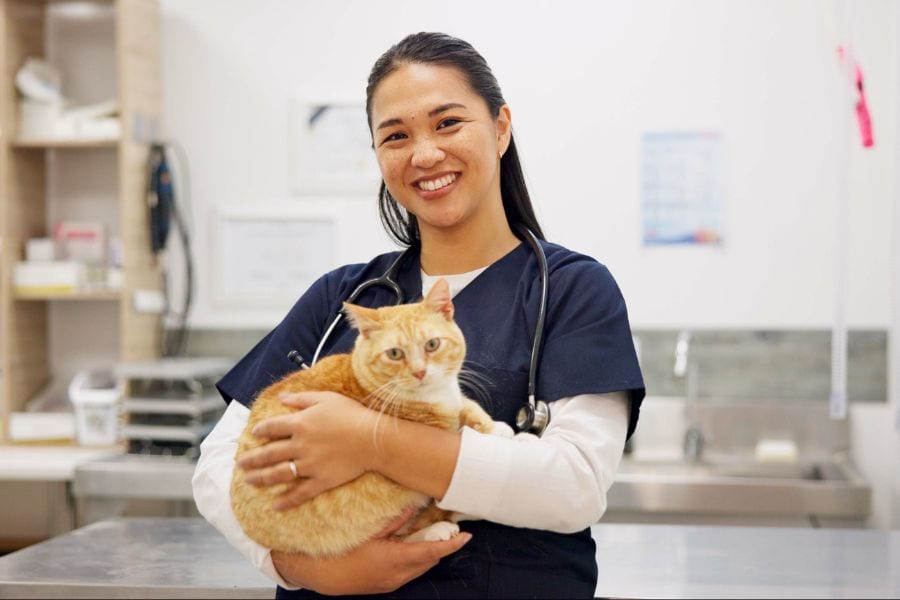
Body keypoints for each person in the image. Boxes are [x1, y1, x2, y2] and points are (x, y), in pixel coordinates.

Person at [193, 32, 644, 599]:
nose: (424, 153)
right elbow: (218, 463)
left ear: (501, 128)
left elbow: (575, 485)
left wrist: (368, 440)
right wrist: (297, 567)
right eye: (397, 136)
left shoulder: (573, 291)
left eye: (448, 123)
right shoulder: (343, 298)